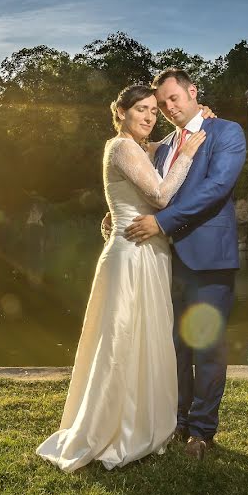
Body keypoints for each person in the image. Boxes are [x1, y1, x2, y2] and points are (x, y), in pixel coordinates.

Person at [36, 84, 206, 472]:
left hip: (148, 254)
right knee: (120, 339)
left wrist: (188, 127)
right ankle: (112, 428)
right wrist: (190, 150)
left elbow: (160, 147)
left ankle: (139, 422)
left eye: (152, 110)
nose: (148, 116)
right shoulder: (121, 147)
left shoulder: (140, 147)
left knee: (143, 339)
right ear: (121, 113)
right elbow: (161, 196)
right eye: (140, 110)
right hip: (130, 256)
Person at [123, 68, 246, 460]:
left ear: (193, 92)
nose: (169, 108)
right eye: (161, 105)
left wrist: (162, 222)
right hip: (165, 259)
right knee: (174, 345)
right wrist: (120, 213)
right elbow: (152, 190)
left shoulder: (226, 132)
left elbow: (216, 189)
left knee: (207, 346)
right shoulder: (163, 145)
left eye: (174, 98)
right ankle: (177, 419)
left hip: (210, 259)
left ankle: (202, 432)